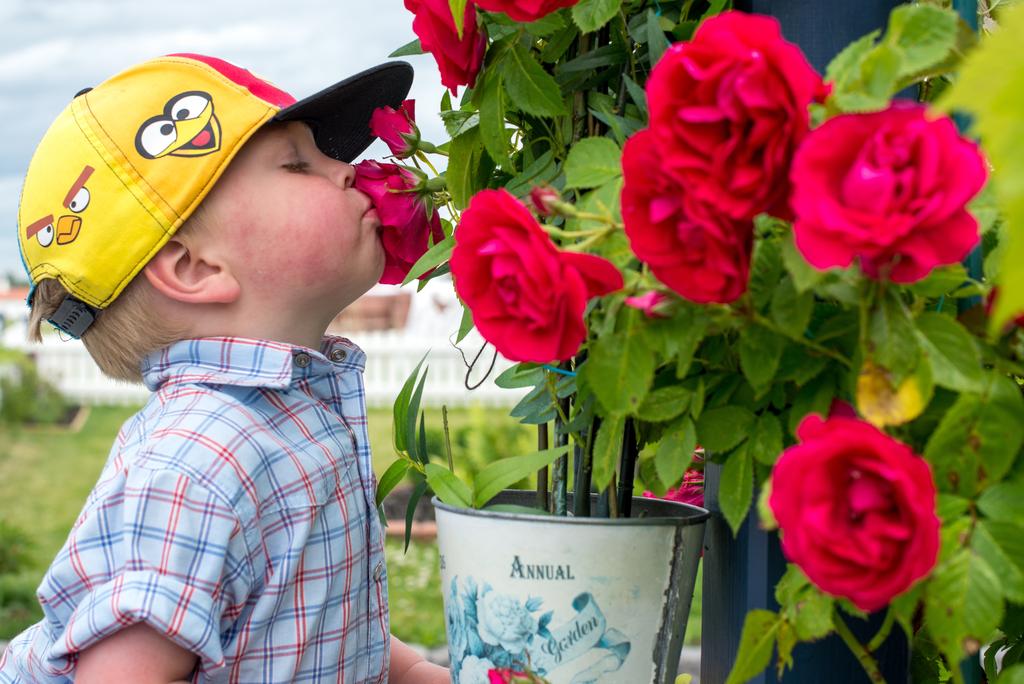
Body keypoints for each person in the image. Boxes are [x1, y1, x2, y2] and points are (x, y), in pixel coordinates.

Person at [0, 53, 450, 684]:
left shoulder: (285, 418)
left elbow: (308, 618)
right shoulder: (198, 459)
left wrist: (413, 674)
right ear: (195, 268)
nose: (347, 170)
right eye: (298, 163)